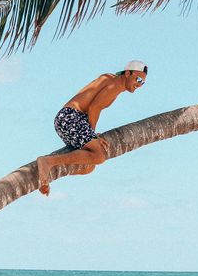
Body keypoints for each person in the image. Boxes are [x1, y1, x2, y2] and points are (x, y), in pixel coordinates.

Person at [36, 61, 148, 196]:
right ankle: (48, 161)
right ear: (128, 73)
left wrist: (90, 134)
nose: (139, 84)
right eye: (138, 79)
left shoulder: (111, 79)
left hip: (68, 118)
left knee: (89, 167)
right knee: (99, 156)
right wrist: (92, 135)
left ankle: (47, 173)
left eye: (143, 83)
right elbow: (94, 107)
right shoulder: (116, 85)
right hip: (70, 118)